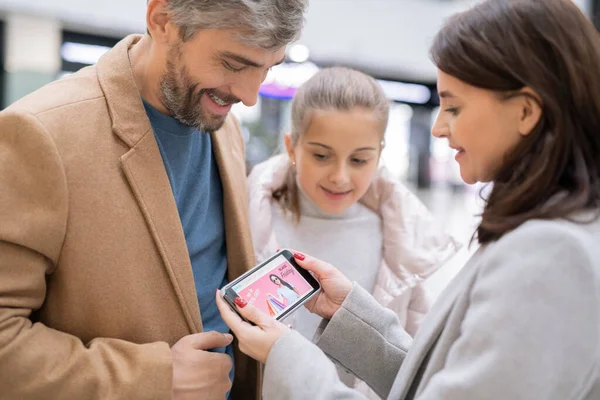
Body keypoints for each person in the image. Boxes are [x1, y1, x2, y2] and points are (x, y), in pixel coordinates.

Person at [217, 0, 600, 398]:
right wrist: (353, 319)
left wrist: (289, 357)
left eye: (453, 106)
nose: (437, 127)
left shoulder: (554, 255)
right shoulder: (548, 234)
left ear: (525, 111)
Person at [0, 0, 307, 399]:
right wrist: (154, 379)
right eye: (234, 64)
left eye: (269, 68)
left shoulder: (221, 125)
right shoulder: (40, 133)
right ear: (163, 19)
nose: (250, 96)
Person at [247, 67, 459, 346]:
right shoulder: (248, 222)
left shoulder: (400, 241)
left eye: (359, 160)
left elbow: (413, 356)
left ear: (379, 155)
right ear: (291, 148)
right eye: (321, 155)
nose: (340, 177)